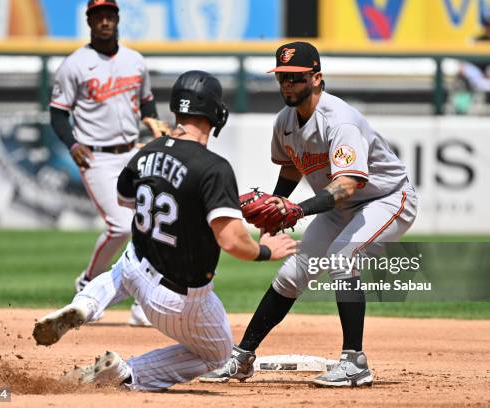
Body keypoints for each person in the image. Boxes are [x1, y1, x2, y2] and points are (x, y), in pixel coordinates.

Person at [32, 70, 298, 391]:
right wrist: (268, 251)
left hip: (135, 268)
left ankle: (86, 304)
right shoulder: (214, 167)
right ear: (215, 112)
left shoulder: (147, 151)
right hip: (175, 301)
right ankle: (129, 374)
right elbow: (231, 242)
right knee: (218, 354)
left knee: (125, 266)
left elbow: (124, 199)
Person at [199, 41, 418, 387]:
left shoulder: (340, 121)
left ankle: (354, 362)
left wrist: (298, 210)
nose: (288, 85)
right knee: (291, 275)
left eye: (297, 78)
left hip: (387, 199)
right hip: (338, 207)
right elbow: (290, 168)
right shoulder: (284, 122)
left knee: (342, 258)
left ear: (317, 78)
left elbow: (347, 185)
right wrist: (276, 206)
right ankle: (242, 357)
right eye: (282, 78)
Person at [49, 0, 169, 326]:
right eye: (97, 16)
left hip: (133, 150)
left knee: (152, 222)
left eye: (109, 15)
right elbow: (58, 113)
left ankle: (143, 302)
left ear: (117, 18)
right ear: (89, 21)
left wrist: (152, 120)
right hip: (96, 156)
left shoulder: (135, 60)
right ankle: (89, 282)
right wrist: (71, 143)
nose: (104, 21)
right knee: (119, 226)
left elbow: (145, 100)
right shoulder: (74, 64)